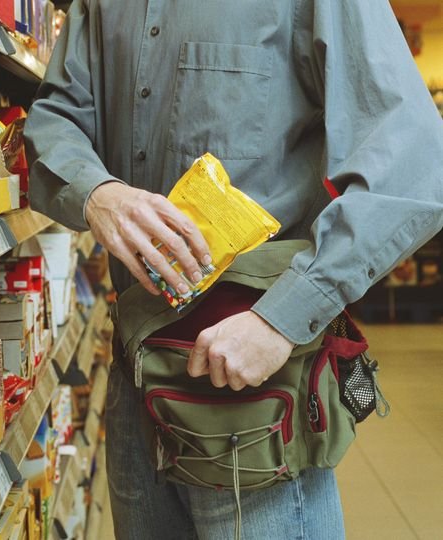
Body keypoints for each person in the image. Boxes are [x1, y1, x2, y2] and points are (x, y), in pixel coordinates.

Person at [24, 1, 443, 538]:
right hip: (136, 379)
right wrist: (97, 193)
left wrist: (284, 319)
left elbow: (414, 166)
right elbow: (57, 113)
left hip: (254, 397)